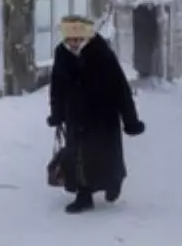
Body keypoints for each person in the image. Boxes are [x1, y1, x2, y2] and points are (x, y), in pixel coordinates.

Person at [46, 14, 145, 214]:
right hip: (75, 114)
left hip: (102, 114)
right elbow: (57, 87)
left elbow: (120, 88)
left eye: (77, 40)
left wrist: (130, 120)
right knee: (79, 156)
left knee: (105, 155)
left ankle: (113, 182)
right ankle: (84, 195)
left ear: (86, 38)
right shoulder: (61, 54)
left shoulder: (102, 53)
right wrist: (57, 113)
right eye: (70, 40)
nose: (73, 44)